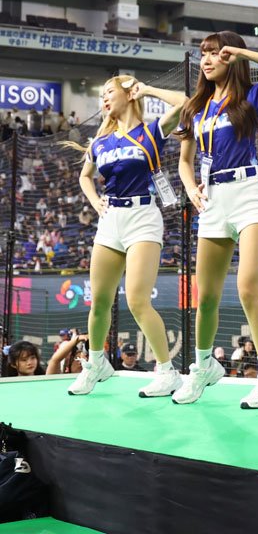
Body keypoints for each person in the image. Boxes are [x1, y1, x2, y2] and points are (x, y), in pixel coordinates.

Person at [170, 32, 258, 410]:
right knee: (206, 296)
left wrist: (242, 52)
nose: (207, 60)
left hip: (249, 194)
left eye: (215, 53)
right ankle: (203, 367)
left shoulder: (250, 97)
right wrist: (190, 189)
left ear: (231, 58)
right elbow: (184, 161)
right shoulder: (196, 108)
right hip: (212, 200)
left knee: (247, 289)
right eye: (204, 54)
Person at [62, 76, 187, 397]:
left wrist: (146, 89)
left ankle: (167, 372)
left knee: (136, 301)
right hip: (110, 220)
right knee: (99, 301)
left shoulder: (151, 130)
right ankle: (96, 364)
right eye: (101, 94)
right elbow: (85, 176)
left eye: (109, 92)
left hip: (143, 218)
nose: (104, 98)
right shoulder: (100, 142)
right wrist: (94, 201)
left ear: (129, 95)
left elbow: (184, 103)